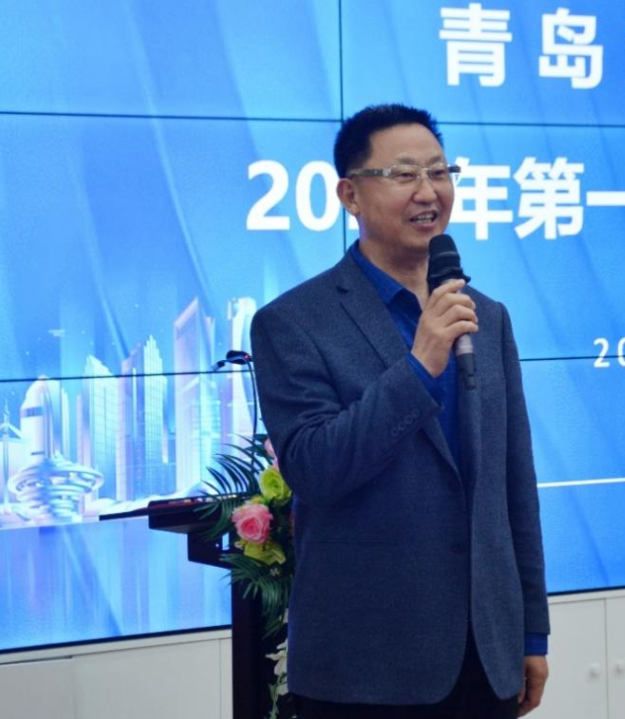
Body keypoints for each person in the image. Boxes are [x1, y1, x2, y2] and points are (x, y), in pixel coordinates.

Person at [251, 103, 549, 718]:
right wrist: (418, 367)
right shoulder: (293, 323)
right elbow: (314, 468)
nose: (428, 192)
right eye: (404, 174)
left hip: (485, 658)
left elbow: (513, 486)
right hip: (365, 669)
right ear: (349, 195)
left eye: (440, 172)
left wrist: (531, 633)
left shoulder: (486, 317)